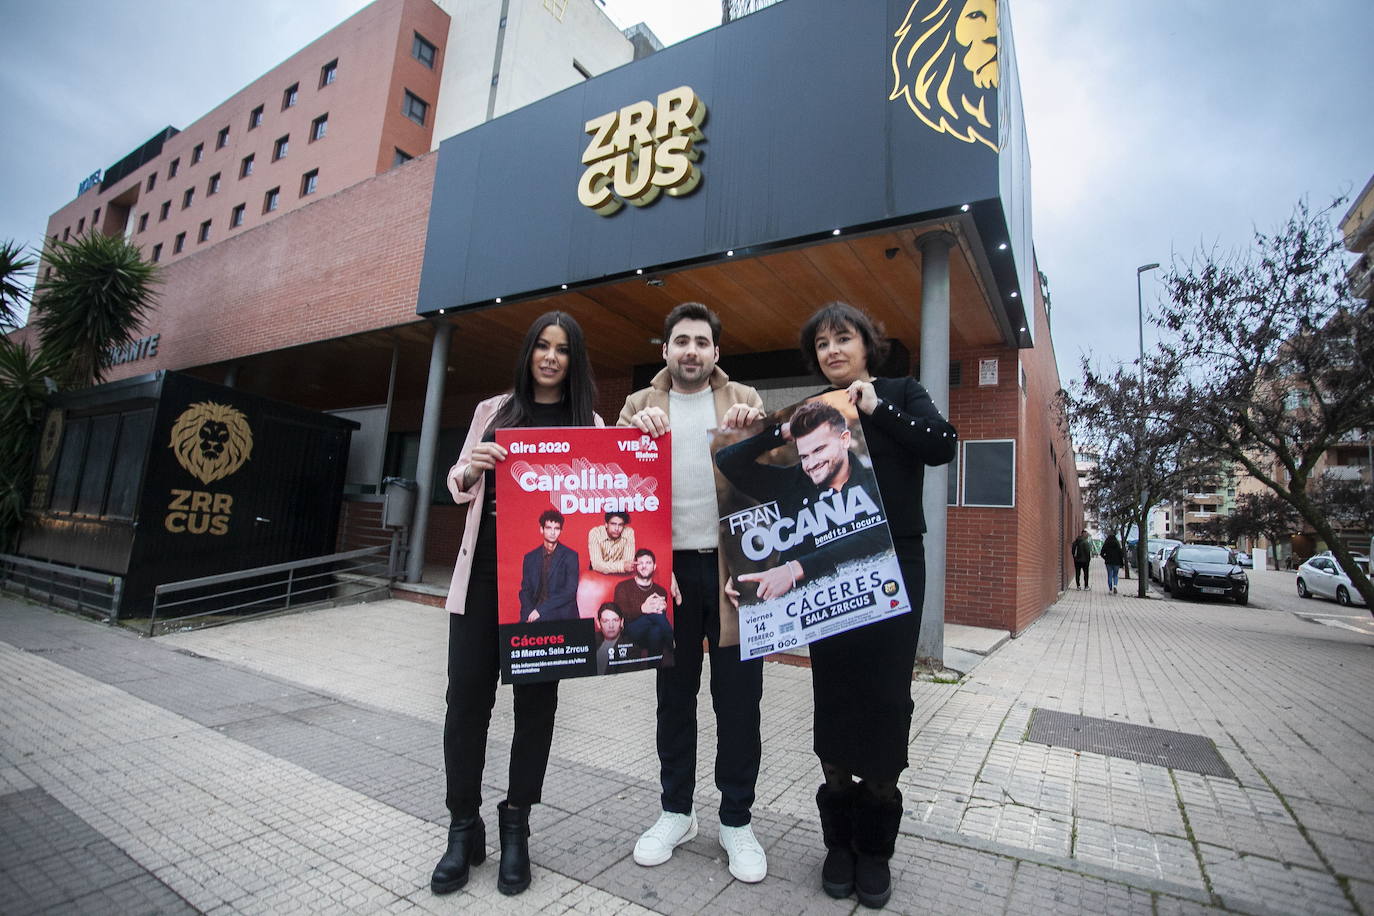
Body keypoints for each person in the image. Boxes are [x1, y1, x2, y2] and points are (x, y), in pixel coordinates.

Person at [792, 302, 956, 909]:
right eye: (823, 344)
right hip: (831, 570)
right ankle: (838, 843)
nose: (832, 350)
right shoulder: (808, 414)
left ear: (867, 344)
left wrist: (875, 409)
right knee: (834, 695)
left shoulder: (901, 392)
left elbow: (942, 446)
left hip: (895, 568)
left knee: (887, 698)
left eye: (844, 339)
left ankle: (876, 846)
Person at [431, 311, 601, 898]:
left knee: (536, 709)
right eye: (542, 347)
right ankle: (463, 826)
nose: (551, 357)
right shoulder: (491, 411)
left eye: (562, 349)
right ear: (528, 352)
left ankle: (517, 826)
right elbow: (455, 483)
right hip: (483, 581)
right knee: (467, 701)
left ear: (574, 361)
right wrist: (470, 466)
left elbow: (614, 488)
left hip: (548, 591)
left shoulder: (590, 422)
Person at [619, 302, 770, 883]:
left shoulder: (743, 400)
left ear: (715, 354)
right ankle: (676, 812)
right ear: (664, 350)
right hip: (669, 573)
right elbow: (613, 478)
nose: (691, 351)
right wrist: (631, 432)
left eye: (701, 342)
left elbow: (771, 476)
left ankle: (737, 821)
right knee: (673, 700)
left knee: (739, 702)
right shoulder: (639, 404)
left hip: (736, 573)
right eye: (680, 341)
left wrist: (759, 425)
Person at [714, 399, 889, 599]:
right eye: (804, 455)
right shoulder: (789, 484)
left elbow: (877, 536)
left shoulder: (872, 483)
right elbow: (727, 461)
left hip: (867, 601)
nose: (812, 463)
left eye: (819, 450)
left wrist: (795, 569)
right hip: (800, 613)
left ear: (845, 439)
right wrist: (781, 432)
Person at [612, 548, 675, 659]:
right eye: (640, 563)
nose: (644, 566)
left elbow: (659, 620)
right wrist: (642, 609)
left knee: (656, 631)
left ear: (654, 566)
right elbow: (619, 615)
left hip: (652, 634)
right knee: (654, 615)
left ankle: (654, 665)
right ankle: (671, 641)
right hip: (630, 631)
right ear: (636, 566)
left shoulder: (660, 591)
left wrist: (662, 610)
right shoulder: (623, 587)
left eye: (648, 563)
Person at [518, 509, 579, 622]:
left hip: (560, 610)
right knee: (517, 632)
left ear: (561, 531)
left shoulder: (571, 556)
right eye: (548, 528)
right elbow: (525, 590)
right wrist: (529, 611)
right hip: (535, 610)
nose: (552, 532)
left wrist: (540, 610)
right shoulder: (530, 557)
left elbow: (569, 591)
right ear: (541, 529)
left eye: (556, 528)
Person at [594, 602, 647, 674]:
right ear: (598, 623)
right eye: (606, 621)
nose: (611, 626)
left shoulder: (632, 649)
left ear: (621, 622)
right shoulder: (591, 640)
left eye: (615, 620)